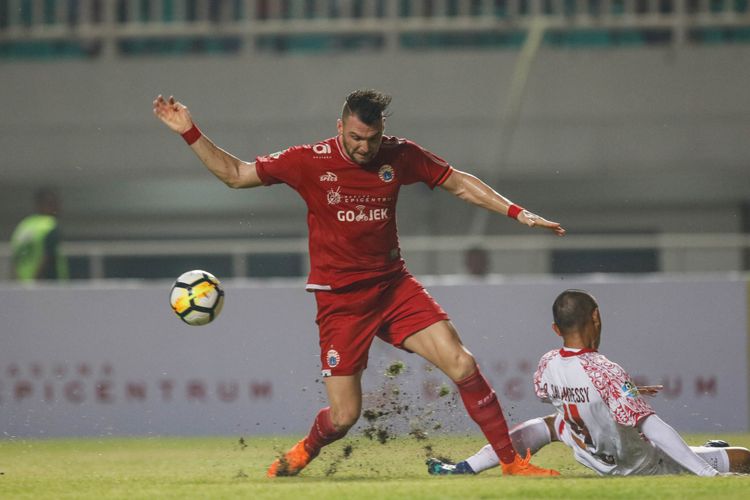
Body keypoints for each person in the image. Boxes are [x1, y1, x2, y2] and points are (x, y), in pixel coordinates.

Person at [153, 89, 566, 478]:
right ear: (339, 128)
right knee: (345, 417)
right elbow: (236, 174)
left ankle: (512, 462)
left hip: (392, 287)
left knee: (461, 362)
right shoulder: (308, 160)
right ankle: (305, 450)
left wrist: (517, 213)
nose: (364, 148)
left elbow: (457, 182)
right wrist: (189, 130)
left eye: (372, 138)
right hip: (341, 301)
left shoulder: (399, 155)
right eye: (355, 138)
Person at [427, 289, 750, 476]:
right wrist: (712, 477)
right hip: (639, 466)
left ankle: (467, 467)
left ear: (556, 329)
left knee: (554, 424)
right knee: (743, 456)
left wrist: (627, 393)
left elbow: (578, 397)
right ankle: (711, 457)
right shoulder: (606, 371)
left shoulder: (548, 363)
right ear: (596, 316)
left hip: (592, 455)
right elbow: (653, 428)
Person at [10, 188, 69, 282]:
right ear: (40, 205)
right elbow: (47, 256)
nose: (57, 208)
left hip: (22, 281)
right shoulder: (49, 225)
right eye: (52, 204)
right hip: (45, 282)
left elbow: (16, 257)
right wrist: (36, 279)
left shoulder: (24, 225)